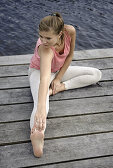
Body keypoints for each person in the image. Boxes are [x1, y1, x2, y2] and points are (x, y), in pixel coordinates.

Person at [28, 12, 102, 157]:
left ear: (60, 33)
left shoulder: (70, 31)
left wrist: (58, 79)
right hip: (38, 73)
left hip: (57, 71)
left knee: (96, 74)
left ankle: (61, 87)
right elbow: (44, 79)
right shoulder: (45, 48)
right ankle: (37, 134)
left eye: (48, 37)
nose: (43, 40)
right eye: (41, 36)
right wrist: (41, 109)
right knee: (42, 104)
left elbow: (70, 55)